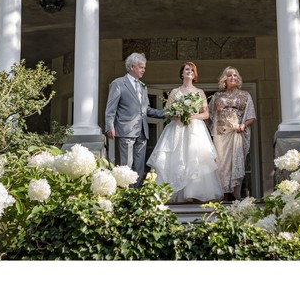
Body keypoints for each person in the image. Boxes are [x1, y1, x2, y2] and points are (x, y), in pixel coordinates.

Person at [147, 62, 223, 203]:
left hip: (195, 130)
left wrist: (192, 116)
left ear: (194, 75)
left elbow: (206, 114)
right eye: (187, 70)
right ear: (182, 73)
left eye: (192, 70)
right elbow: (168, 111)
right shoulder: (175, 92)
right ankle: (171, 193)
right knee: (176, 158)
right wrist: (177, 115)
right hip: (177, 129)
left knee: (194, 159)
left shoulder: (199, 92)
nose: (189, 72)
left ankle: (192, 193)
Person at [105, 52, 165, 186]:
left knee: (139, 167)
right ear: (132, 67)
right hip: (126, 131)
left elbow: (146, 109)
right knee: (127, 166)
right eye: (141, 67)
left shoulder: (143, 86)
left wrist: (166, 113)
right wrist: (110, 126)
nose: (143, 70)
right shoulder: (119, 83)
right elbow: (111, 108)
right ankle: (126, 196)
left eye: (144, 68)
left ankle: (136, 195)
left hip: (142, 131)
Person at [209, 66, 256, 201]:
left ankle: (235, 193)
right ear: (225, 79)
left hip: (236, 132)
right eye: (230, 75)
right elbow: (210, 114)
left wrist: (243, 125)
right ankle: (223, 193)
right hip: (221, 132)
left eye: (235, 75)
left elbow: (251, 115)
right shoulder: (218, 96)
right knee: (221, 161)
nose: (233, 78)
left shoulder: (245, 95)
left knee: (236, 160)